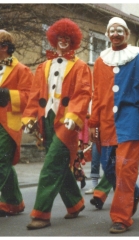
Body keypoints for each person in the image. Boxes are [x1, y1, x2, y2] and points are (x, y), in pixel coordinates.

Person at [88, 17, 139, 233]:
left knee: (125, 167)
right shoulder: (100, 61)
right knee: (109, 165)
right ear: (107, 34)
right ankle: (133, 193)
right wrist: (93, 122)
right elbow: (97, 96)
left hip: (131, 120)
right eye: (112, 30)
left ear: (127, 34)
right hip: (106, 122)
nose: (115, 34)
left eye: (120, 30)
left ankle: (121, 218)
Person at [21, 18, 92, 230]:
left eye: (67, 38)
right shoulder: (43, 66)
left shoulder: (80, 66)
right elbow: (35, 95)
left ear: (73, 41)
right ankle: (75, 203)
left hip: (67, 120)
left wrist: (74, 115)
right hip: (47, 120)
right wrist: (29, 118)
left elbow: (83, 93)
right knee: (60, 164)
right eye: (59, 38)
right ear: (54, 39)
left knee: (51, 166)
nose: (63, 41)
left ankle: (41, 214)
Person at [0, 30, 33, 217]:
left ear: (4, 47)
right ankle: (13, 202)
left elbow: (30, 98)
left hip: (8, 124)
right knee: (3, 162)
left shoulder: (22, 70)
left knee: (0, 160)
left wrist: (7, 95)